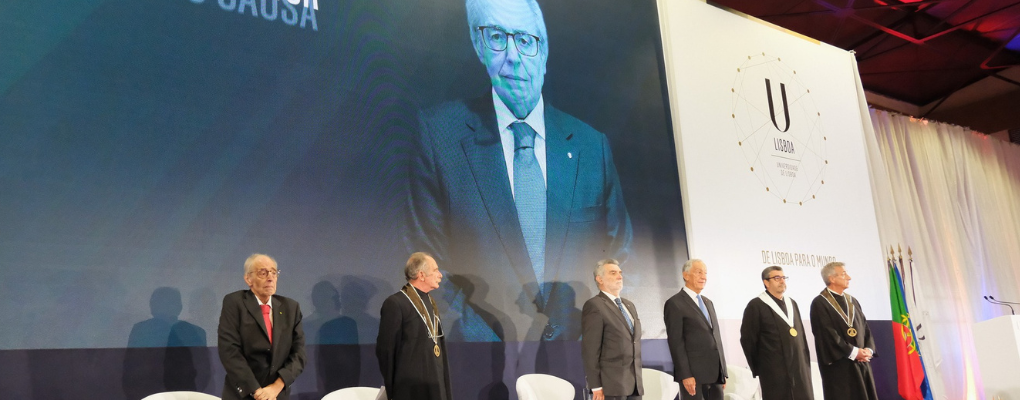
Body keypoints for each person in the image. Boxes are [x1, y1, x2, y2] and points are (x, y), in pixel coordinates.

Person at [405, 0, 633, 333]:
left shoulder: (590, 145)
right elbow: (426, 264)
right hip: (487, 362)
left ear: (544, 49)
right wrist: (488, 343)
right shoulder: (438, 135)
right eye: (497, 37)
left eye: (525, 40)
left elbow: (620, 254)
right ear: (478, 44)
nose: (513, 56)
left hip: (579, 350)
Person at [217, 254, 305, 400]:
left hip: (277, 394)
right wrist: (258, 392)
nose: (270, 277)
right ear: (248, 279)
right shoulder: (235, 303)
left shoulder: (291, 307)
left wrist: (276, 387)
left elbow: (299, 354)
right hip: (243, 394)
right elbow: (229, 351)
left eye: (273, 272)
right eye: (263, 273)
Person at [376, 252, 453, 400]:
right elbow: (385, 350)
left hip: (435, 383)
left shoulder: (431, 302)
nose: (440, 275)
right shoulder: (396, 303)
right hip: (410, 389)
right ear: (421, 275)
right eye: (435, 270)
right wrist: (395, 389)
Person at [739, 266, 813, 400]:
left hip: (799, 368)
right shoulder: (756, 306)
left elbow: (801, 336)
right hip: (773, 370)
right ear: (766, 282)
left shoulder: (792, 303)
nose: (782, 281)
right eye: (777, 278)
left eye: (784, 278)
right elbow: (748, 340)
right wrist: (760, 367)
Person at [809, 262, 878, 400]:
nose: (849, 277)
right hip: (840, 366)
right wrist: (854, 352)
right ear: (832, 278)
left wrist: (868, 350)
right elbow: (827, 335)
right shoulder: (820, 303)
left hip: (861, 362)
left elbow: (865, 328)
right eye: (844, 274)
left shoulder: (853, 301)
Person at [664, 259, 726, 400]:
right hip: (693, 376)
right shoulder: (675, 303)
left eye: (705, 273)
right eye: (699, 272)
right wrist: (685, 375)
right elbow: (676, 342)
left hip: (715, 375)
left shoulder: (708, 302)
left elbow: (716, 337)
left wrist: (722, 372)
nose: (703, 277)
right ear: (686, 275)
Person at [581, 259, 644, 400]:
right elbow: (590, 350)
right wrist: (596, 386)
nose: (620, 276)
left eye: (620, 273)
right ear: (600, 279)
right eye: (613, 273)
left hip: (634, 384)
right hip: (611, 386)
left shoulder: (629, 305)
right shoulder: (594, 306)